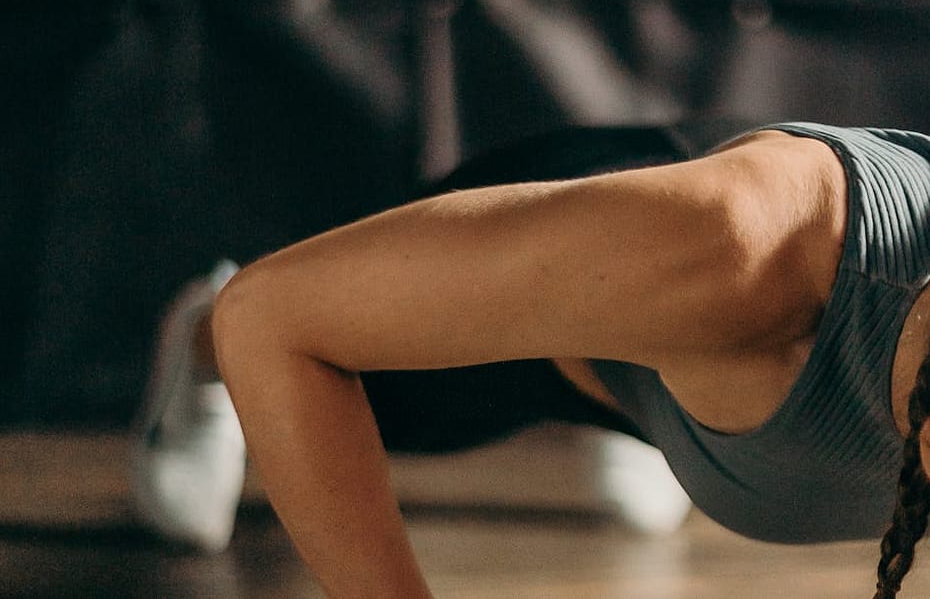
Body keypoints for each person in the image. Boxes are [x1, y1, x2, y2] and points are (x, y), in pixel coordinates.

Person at [223, 122, 930, 597]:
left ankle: (661, 409)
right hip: (621, 261)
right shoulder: (746, 251)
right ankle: (192, 335)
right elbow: (268, 317)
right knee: (310, 366)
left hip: (699, 359)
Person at [129, 126, 698, 553]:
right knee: (356, 389)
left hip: (689, 295)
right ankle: (210, 335)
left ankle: (633, 373)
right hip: (602, 214)